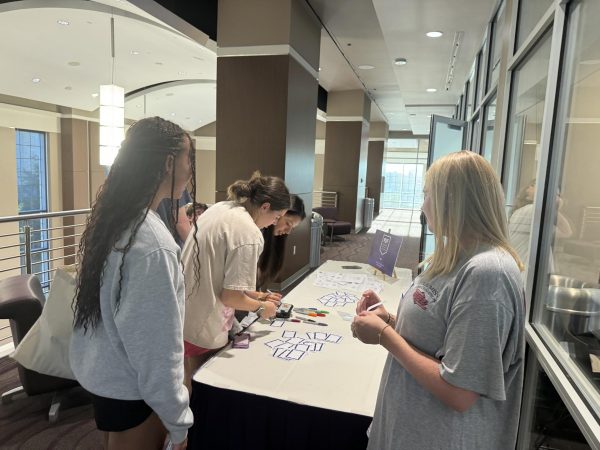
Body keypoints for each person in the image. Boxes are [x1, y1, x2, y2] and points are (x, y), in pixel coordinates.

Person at [352, 151, 526, 450]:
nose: (423, 206)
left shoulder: (487, 273)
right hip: (407, 428)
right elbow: (442, 338)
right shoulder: (455, 256)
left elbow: (460, 392)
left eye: (427, 194)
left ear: (452, 200)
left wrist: (384, 336)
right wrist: (390, 321)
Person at [70, 117, 198, 450]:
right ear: (169, 162)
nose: (190, 169)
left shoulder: (116, 221)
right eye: (189, 159)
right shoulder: (152, 243)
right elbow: (156, 348)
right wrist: (179, 422)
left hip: (108, 378)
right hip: (134, 390)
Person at [181, 172, 291, 388]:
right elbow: (231, 297)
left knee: (186, 380)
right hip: (204, 321)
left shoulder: (223, 208)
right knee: (202, 385)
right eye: (277, 217)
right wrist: (262, 307)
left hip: (185, 309)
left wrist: (258, 295)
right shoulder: (248, 233)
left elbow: (225, 274)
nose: (273, 224)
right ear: (265, 207)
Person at [508, 179, 572, 267]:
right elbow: (567, 231)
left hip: (520, 268)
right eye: (534, 186)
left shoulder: (519, 214)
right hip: (529, 270)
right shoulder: (532, 210)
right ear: (527, 195)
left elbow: (566, 232)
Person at [256, 194, 306, 289]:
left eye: (292, 228)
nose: (288, 231)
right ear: (278, 214)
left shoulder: (269, 237)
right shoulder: (254, 232)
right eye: (288, 224)